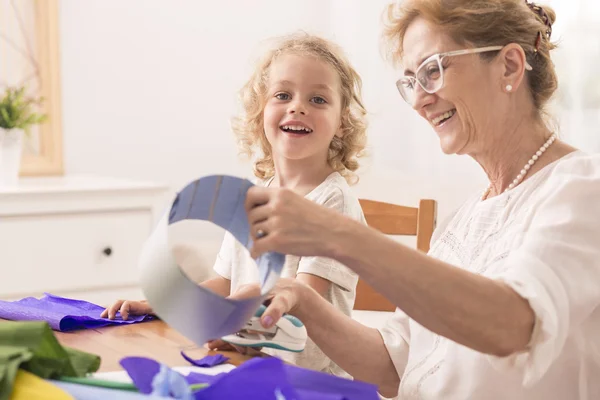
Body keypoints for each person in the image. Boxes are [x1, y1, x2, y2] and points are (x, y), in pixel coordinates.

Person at [242, 1, 600, 398]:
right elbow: (395, 365)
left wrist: (339, 236)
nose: (418, 101)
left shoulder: (583, 188)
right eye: (412, 80)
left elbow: (513, 325)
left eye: (433, 70)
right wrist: (303, 300)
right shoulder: (463, 220)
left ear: (510, 66)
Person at [101, 32, 369, 377]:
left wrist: (243, 315)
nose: (298, 106)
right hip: (252, 362)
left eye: (318, 99)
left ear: (342, 122)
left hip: (314, 381)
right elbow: (223, 284)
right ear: (261, 113)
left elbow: (302, 301)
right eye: (283, 95)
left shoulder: (334, 201)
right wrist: (162, 306)